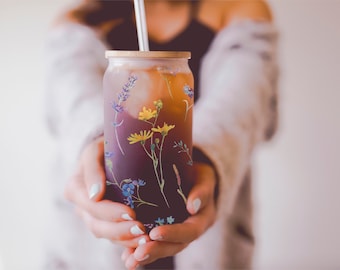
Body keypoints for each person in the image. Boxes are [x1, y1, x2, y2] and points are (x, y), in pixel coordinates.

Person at [43, 0, 279, 269]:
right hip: (90, 250)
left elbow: (242, 103)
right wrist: (98, 143)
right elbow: (75, 100)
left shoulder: (241, 9)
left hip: (206, 232)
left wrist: (205, 156)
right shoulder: (78, 21)